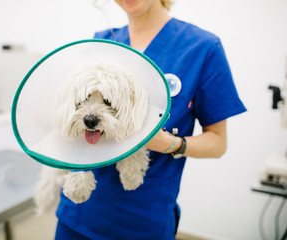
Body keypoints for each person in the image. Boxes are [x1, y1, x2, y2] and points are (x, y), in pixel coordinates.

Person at [55, 0, 247, 239]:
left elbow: (217, 143)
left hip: (143, 219)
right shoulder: (99, 44)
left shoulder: (203, 48)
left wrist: (169, 144)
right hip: (79, 214)